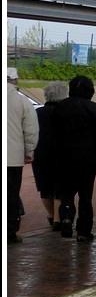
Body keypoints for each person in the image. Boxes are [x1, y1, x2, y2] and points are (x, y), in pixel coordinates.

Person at [51, 75, 96, 243]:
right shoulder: (93, 108)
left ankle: (66, 217)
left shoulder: (60, 108)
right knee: (85, 195)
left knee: (66, 192)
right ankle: (83, 231)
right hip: (87, 158)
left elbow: (51, 133)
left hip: (63, 157)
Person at [7, 68, 39, 244]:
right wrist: (29, 151)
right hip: (12, 157)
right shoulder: (22, 102)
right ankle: (9, 232)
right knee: (11, 195)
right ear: (16, 81)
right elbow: (31, 130)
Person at [31, 80, 69, 230]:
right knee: (60, 188)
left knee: (45, 188)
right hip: (61, 153)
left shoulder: (38, 112)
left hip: (40, 153)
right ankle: (58, 220)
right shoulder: (66, 112)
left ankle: (51, 215)